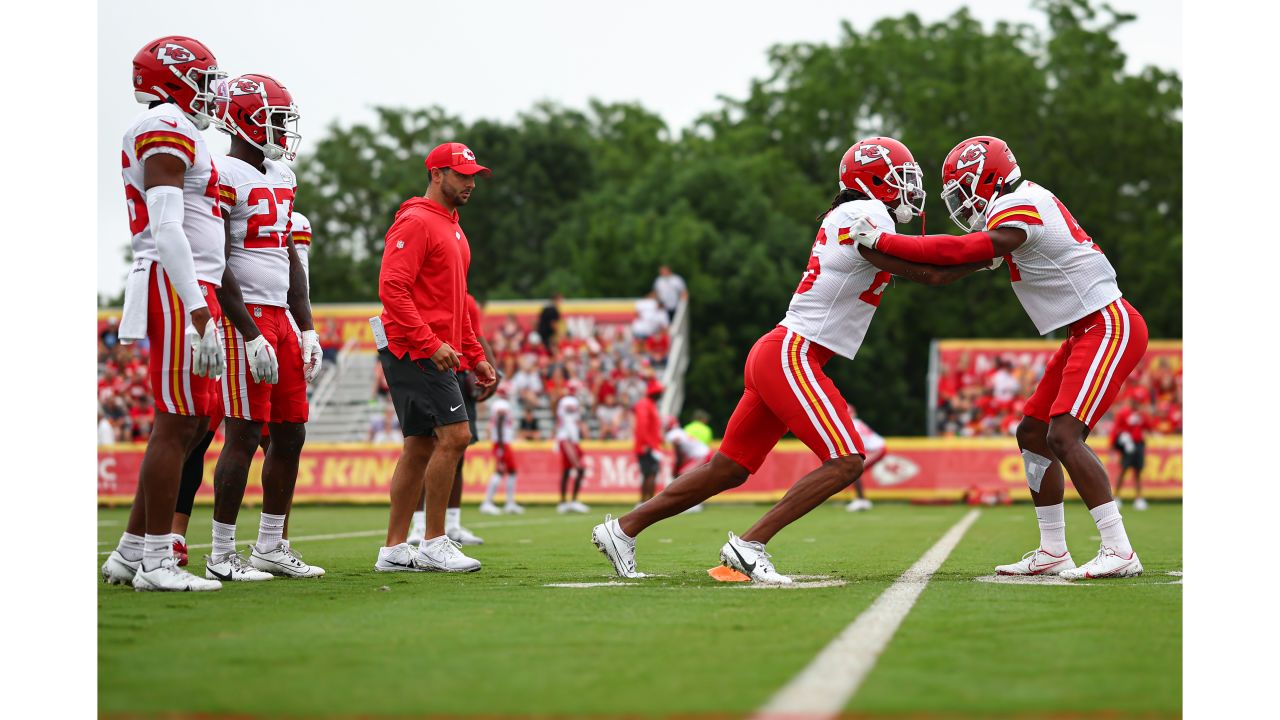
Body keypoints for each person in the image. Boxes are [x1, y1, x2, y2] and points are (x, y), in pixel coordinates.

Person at [593, 137, 984, 583]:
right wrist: (988, 249)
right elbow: (930, 271)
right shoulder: (866, 214)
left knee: (729, 468)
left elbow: (926, 270)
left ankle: (623, 529)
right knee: (847, 460)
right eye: (902, 177)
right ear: (876, 180)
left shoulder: (857, 215)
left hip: (779, 350)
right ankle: (749, 545)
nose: (910, 188)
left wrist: (980, 256)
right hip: (793, 353)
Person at [852, 135, 1149, 580]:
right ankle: (1053, 551)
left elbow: (957, 251)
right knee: (1033, 432)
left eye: (962, 187)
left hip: (1108, 323)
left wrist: (883, 239)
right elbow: (939, 274)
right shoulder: (1013, 215)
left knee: (1064, 435)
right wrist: (878, 254)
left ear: (986, 175)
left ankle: (1119, 549)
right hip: (1082, 330)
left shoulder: (1023, 203)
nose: (960, 201)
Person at [101, 36, 229, 593]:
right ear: (174, 80)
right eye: (202, 78)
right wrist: (198, 310)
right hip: (177, 283)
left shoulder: (180, 127)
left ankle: (131, 553)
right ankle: (157, 561)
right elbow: (167, 225)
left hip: (190, 283)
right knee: (176, 422)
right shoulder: (167, 126)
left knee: (193, 422)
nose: (209, 91)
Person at [204, 73, 325, 581]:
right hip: (242, 313)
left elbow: (289, 258)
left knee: (290, 434)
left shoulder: (281, 177)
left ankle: (271, 546)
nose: (282, 130)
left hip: (281, 314)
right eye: (275, 119)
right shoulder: (220, 172)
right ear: (245, 119)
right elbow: (216, 256)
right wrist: (249, 330)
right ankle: (222, 552)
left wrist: (308, 326)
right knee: (244, 432)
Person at [372, 142, 496, 573]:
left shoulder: (453, 226)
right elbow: (392, 288)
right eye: (462, 175)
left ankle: (393, 549)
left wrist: (475, 355)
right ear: (437, 174)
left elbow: (455, 302)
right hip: (415, 348)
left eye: (473, 175)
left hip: (432, 349)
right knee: (456, 436)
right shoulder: (418, 220)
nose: (470, 183)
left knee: (420, 444)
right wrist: (429, 342)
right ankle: (434, 541)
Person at [409, 292, 496, 546]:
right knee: (424, 448)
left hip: (458, 373)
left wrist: (488, 364)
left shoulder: (465, 299)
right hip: (429, 367)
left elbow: (475, 334)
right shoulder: (422, 292)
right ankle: (420, 525)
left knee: (457, 453)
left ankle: (453, 524)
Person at [479, 386, 520, 515]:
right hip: (501, 442)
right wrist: (501, 445)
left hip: (503, 442)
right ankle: (487, 502)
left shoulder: (499, 404)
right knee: (499, 471)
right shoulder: (502, 405)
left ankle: (510, 503)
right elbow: (500, 424)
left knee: (512, 471)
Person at [1110, 397, 1150, 511]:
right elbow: (1116, 429)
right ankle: (1116, 497)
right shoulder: (1123, 413)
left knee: (1137, 471)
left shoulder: (1141, 414)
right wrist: (1115, 443)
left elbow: (1149, 426)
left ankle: (1138, 498)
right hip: (1127, 445)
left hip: (1139, 444)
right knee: (1123, 470)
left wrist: (1142, 418)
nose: (1137, 404)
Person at [664, 417, 709, 513]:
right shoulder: (679, 432)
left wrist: (675, 469)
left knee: (684, 476)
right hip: (701, 454)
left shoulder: (672, 435)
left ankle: (693, 504)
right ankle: (691, 503)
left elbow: (679, 455)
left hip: (702, 456)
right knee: (685, 476)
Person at [555, 392, 590, 513]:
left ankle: (564, 502)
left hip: (569, 439)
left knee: (567, 470)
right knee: (579, 468)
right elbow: (567, 421)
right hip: (567, 440)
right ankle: (571, 501)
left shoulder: (565, 401)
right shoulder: (570, 401)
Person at [845, 406, 884, 512]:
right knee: (854, 470)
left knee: (854, 470)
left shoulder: (852, 424)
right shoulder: (856, 423)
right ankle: (861, 499)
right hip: (875, 448)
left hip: (876, 449)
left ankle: (862, 500)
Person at [632, 379, 664, 503]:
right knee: (650, 474)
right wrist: (648, 444)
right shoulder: (645, 404)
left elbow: (651, 427)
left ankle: (646, 502)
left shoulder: (650, 404)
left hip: (651, 446)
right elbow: (642, 426)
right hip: (647, 447)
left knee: (650, 474)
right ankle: (646, 503)